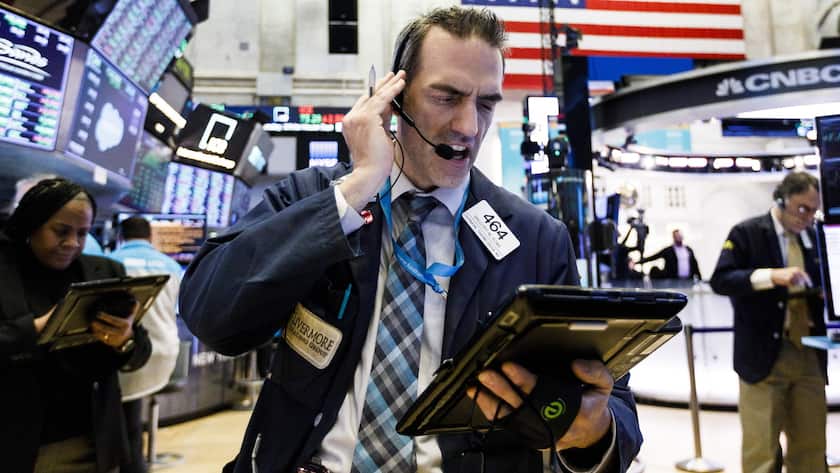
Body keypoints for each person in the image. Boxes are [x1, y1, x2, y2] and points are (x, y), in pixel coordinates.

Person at [180, 6, 642, 473]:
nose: (469, 126)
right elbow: (211, 315)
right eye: (446, 97)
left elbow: (615, 410)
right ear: (393, 98)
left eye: (486, 103)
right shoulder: (313, 198)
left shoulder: (535, 238)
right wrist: (355, 189)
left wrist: (592, 432)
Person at [0, 177, 151, 472]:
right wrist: (39, 327)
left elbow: (141, 350)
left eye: (82, 233)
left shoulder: (106, 271)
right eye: (61, 231)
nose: (72, 243)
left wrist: (124, 340)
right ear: (32, 224)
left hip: (96, 442)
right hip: (18, 445)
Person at [710, 171, 827, 473]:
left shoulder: (815, 237)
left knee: (811, 448)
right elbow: (721, 280)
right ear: (781, 200)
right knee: (761, 451)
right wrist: (771, 276)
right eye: (802, 208)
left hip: (810, 353)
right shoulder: (747, 233)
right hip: (763, 355)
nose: (808, 217)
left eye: (813, 211)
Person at [110, 216, 183, 473]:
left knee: (122, 422)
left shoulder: (111, 263)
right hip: (166, 354)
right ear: (150, 236)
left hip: (128, 354)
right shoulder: (172, 265)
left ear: (120, 236)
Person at [636, 229, 701, 280]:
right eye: (677, 236)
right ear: (674, 238)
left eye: (680, 236)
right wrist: (637, 262)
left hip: (688, 280)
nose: (679, 237)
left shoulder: (688, 249)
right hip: (673, 280)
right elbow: (654, 257)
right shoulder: (668, 250)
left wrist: (699, 278)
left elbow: (695, 264)